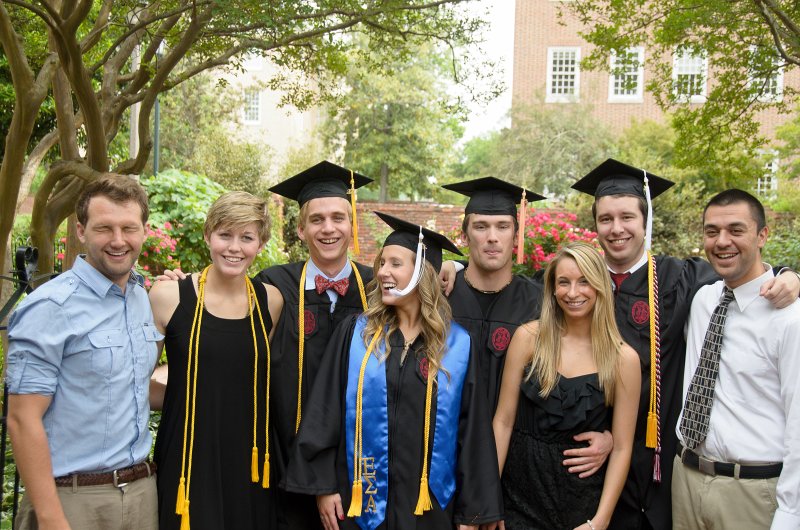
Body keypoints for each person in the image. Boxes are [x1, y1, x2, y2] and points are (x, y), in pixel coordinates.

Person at [570, 159, 800, 530]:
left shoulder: (684, 279)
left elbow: (746, 272)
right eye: (606, 219)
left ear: (646, 220)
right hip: (598, 463)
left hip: (667, 467)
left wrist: (791, 277)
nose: (617, 229)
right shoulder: (576, 284)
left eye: (627, 217)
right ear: (595, 224)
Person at [284, 212, 503, 530]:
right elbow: (325, 410)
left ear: (422, 274)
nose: (382, 272)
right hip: (360, 499)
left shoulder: (456, 345)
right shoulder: (357, 334)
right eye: (382, 263)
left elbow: (472, 431)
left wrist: (473, 512)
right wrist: (323, 486)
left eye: (395, 264)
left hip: (429, 507)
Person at [7, 175, 160, 530]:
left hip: (141, 496)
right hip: (71, 501)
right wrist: (50, 518)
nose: (118, 240)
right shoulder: (51, 306)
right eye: (104, 228)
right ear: (81, 231)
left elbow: (130, 385)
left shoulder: (140, 297)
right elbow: (22, 418)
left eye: (129, 228)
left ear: (144, 231)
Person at [148, 191, 283, 529]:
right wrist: (184, 399)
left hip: (249, 460)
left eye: (247, 237)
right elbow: (138, 381)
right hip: (188, 455)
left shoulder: (271, 302)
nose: (234, 247)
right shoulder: (168, 296)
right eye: (225, 234)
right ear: (208, 235)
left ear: (261, 244)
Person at [673, 189, 800, 529]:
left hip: (751, 492)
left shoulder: (790, 318)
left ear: (762, 236)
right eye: (712, 231)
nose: (722, 241)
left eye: (736, 230)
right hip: (685, 479)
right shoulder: (702, 299)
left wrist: (790, 514)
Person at [491, 242, 640, 530]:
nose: (572, 293)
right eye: (563, 282)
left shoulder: (623, 359)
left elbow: (622, 448)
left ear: (600, 286)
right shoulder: (528, 338)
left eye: (584, 282)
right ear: (552, 288)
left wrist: (600, 522)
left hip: (581, 506)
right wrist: (489, 499)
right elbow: (503, 422)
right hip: (517, 499)